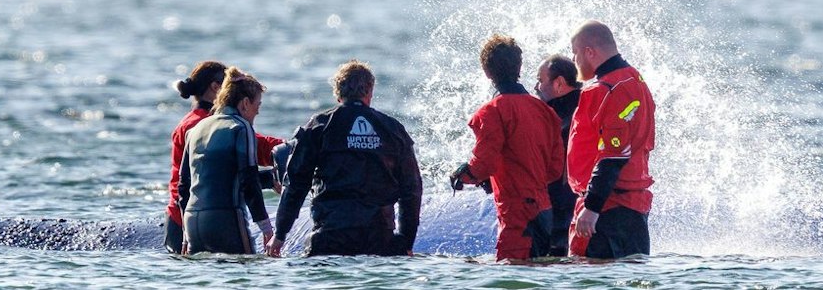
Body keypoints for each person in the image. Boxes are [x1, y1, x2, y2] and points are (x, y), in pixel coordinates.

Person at [272, 60, 423, 257]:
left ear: (337, 93)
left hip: (330, 238)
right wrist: (406, 240)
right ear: (370, 91)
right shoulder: (393, 129)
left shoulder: (319, 127)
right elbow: (412, 189)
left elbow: (296, 183)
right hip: (380, 239)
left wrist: (280, 234)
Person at [450, 35, 564, 262]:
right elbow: (555, 169)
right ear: (519, 67)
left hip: (517, 215)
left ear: (487, 72)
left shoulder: (491, 111)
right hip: (544, 210)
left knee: (511, 274)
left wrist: (462, 175)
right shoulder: (544, 111)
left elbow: (484, 164)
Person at [565, 21, 656, 259]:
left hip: (608, 209)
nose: (574, 62)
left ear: (590, 52)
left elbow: (613, 156)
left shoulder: (607, 88)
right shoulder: (635, 79)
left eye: (575, 54)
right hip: (629, 207)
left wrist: (592, 208)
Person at [176, 68, 275, 255]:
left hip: (192, 223)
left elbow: (184, 187)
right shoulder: (240, 127)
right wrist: (266, 228)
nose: (257, 114)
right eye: (257, 107)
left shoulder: (196, 129)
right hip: (226, 221)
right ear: (245, 103)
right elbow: (248, 181)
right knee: (245, 275)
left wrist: (185, 237)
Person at [166, 60, 228, 253]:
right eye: (230, 86)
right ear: (216, 87)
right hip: (189, 219)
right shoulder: (201, 125)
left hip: (184, 215)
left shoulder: (202, 121)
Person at [535, 53, 581, 249]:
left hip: (565, 211)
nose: (537, 88)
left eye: (540, 81)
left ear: (559, 83)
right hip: (580, 209)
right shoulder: (585, 102)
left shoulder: (561, 117)